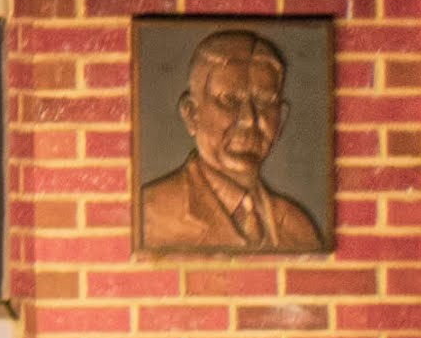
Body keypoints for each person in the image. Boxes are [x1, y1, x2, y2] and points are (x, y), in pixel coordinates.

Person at [133, 25, 325, 252]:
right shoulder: (150, 214)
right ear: (192, 114)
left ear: (281, 120)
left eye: (264, 103)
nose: (249, 120)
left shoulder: (299, 229)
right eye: (229, 101)